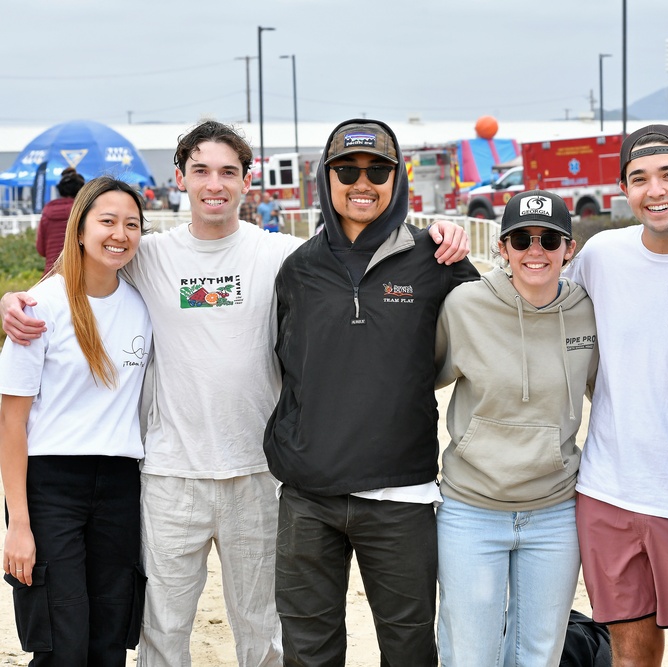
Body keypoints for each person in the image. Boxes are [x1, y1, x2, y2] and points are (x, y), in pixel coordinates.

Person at [1, 120, 470, 667]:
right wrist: (15, 300)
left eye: (228, 171)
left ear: (248, 181)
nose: (214, 184)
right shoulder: (148, 255)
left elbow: (357, 254)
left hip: (258, 475)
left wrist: (441, 234)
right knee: (162, 631)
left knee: (261, 634)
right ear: (180, 178)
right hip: (169, 475)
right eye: (200, 170)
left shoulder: (284, 256)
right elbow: (84, 272)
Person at [263, 118, 479, 666]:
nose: (363, 182)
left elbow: (494, 334)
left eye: (378, 170)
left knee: (408, 647)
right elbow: (284, 362)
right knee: (309, 651)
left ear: (397, 178)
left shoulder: (437, 260)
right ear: (325, 177)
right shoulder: (299, 269)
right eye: (347, 170)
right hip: (308, 495)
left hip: (401, 495)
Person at [562, 124, 668, 665]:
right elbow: (536, 298)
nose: (655, 190)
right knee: (631, 656)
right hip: (606, 490)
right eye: (639, 179)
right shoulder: (602, 254)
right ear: (625, 191)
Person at [434, 190, 598, 666]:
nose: (535, 250)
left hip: (555, 511)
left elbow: (612, 395)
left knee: (538, 654)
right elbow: (415, 382)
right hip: (471, 510)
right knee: (470, 653)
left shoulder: (587, 310)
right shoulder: (464, 305)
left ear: (569, 249)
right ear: (501, 248)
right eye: (521, 239)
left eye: (549, 239)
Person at [1, 177, 152, 665]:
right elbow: (11, 425)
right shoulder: (38, 309)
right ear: (80, 229)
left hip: (121, 484)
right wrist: (19, 524)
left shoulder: (143, 308)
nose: (120, 234)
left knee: (110, 638)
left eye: (132, 224)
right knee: (59, 641)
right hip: (51, 487)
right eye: (107, 221)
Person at [35, 167, 86, 273]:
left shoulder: (47, 212)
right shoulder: (83, 212)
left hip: (51, 275)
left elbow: (41, 249)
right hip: (77, 274)